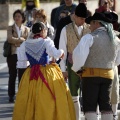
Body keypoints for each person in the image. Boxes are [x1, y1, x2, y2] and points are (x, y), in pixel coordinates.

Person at [12, 22, 76, 120]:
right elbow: (56, 53)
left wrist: (33, 62)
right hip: (47, 73)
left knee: (31, 99)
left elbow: (21, 62)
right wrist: (62, 52)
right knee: (50, 99)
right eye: (45, 30)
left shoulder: (25, 44)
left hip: (31, 74)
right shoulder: (46, 42)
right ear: (42, 31)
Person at [72, 12, 120, 120]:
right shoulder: (116, 40)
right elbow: (117, 61)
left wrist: (78, 70)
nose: (89, 26)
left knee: (90, 106)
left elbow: (78, 56)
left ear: (97, 23)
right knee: (106, 105)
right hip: (108, 76)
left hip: (90, 76)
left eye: (91, 23)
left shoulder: (89, 37)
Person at [59, 3, 90, 120]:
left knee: (88, 94)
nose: (83, 21)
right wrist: (63, 70)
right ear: (75, 16)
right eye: (81, 18)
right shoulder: (65, 29)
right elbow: (62, 51)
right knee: (74, 95)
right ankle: (76, 118)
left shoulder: (89, 29)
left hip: (87, 65)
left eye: (84, 19)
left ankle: (89, 117)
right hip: (72, 66)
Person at [7, 9, 29, 103]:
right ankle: (11, 95)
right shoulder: (10, 28)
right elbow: (9, 39)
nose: (17, 18)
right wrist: (20, 40)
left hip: (23, 56)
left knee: (22, 76)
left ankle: (21, 94)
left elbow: (28, 41)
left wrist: (17, 41)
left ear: (23, 18)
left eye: (19, 16)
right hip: (12, 55)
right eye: (15, 16)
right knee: (12, 75)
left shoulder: (27, 29)